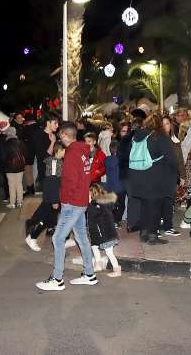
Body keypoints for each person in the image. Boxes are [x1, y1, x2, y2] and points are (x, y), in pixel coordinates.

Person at [36, 122, 97, 291]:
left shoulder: (71, 153)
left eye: (60, 135)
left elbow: (70, 181)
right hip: (80, 201)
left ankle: (57, 279)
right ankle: (89, 274)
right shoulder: (83, 151)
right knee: (81, 237)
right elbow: (87, 176)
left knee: (58, 238)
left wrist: (64, 199)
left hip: (72, 203)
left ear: (63, 135)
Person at [127, 114, 178, 245]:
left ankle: (143, 233)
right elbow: (171, 159)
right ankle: (152, 236)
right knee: (155, 207)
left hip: (137, 175)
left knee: (144, 206)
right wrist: (175, 172)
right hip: (155, 178)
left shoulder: (137, 135)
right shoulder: (160, 137)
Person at [25, 144, 64, 252]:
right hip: (52, 197)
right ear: (59, 150)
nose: (66, 152)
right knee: (48, 220)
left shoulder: (53, 161)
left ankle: (32, 225)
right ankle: (32, 237)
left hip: (50, 196)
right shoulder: (55, 163)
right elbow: (53, 182)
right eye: (64, 150)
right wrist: (55, 200)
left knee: (47, 218)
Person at [87, 182, 122, 277]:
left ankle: (117, 269)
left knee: (109, 252)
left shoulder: (97, 205)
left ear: (92, 193)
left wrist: (89, 203)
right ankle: (98, 265)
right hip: (99, 233)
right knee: (94, 246)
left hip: (105, 234)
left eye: (88, 193)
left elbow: (93, 214)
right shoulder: (101, 203)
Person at [161, 116, 184, 236]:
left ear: (171, 125)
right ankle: (159, 226)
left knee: (169, 202)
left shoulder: (175, 141)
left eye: (167, 123)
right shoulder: (157, 139)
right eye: (163, 124)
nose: (165, 126)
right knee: (160, 201)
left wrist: (183, 176)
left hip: (172, 176)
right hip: (160, 175)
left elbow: (180, 160)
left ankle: (168, 226)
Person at [33, 115, 59, 194]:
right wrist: (52, 142)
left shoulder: (54, 135)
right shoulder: (39, 135)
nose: (57, 126)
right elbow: (44, 157)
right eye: (55, 123)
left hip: (55, 171)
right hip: (45, 172)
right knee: (49, 196)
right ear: (48, 123)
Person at [2, 128, 26, 209]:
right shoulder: (20, 142)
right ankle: (20, 202)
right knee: (19, 184)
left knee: (11, 185)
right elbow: (25, 153)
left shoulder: (5, 143)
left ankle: (12, 203)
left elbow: (3, 156)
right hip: (20, 166)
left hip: (9, 167)